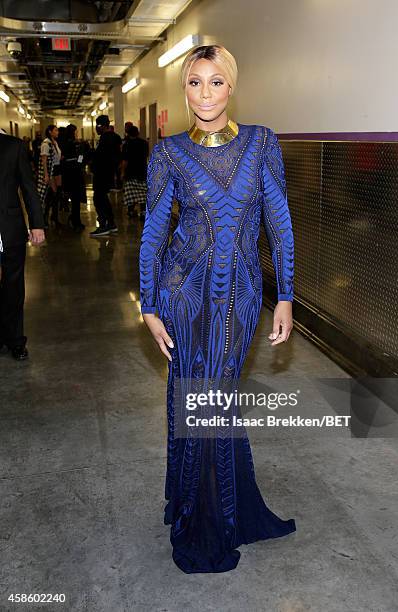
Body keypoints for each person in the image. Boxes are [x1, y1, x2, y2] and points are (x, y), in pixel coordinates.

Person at [139, 44, 296, 573]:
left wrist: (287, 296)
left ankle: (219, 506)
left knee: (214, 398)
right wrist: (149, 305)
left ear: (231, 86)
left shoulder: (261, 143)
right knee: (195, 399)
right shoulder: (168, 153)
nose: (205, 93)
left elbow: (280, 225)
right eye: (194, 82)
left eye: (215, 82)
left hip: (242, 298)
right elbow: (153, 234)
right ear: (184, 89)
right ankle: (200, 517)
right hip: (184, 295)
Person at [0, 133, 45, 360]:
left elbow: (28, 186)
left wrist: (37, 224)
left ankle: (15, 340)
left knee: (13, 286)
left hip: (8, 228)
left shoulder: (13, 146)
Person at [90, 115, 121, 237]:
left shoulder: (105, 139)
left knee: (98, 199)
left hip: (102, 173)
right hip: (109, 173)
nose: (96, 130)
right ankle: (111, 223)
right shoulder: (116, 137)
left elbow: (100, 157)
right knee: (103, 198)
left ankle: (103, 225)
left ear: (101, 126)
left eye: (97, 127)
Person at [121, 126, 149, 220]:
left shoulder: (127, 144)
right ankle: (143, 212)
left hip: (130, 172)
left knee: (131, 194)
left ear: (128, 134)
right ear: (138, 133)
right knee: (143, 194)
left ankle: (131, 211)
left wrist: (122, 172)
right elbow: (146, 157)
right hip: (142, 172)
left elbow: (125, 161)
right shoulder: (144, 143)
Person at [62, 124, 85, 231]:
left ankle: (74, 219)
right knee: (76, 199)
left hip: (68, 173)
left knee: (72, 197)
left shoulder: (64, 143)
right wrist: (80, 164)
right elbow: (80, 157)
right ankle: (76, 222)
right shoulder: (76, 144)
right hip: (75, 173)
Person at [37, 124, 62, 227]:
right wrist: (46, 175)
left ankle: (54, 217)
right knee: (51, 194)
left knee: (56, 194)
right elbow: (44, 160)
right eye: (55, 130)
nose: (58, 132)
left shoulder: (54, 142)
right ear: (50, 132)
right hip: (51, 171)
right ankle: (45, 217)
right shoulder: (46, 144)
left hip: (57, 169)